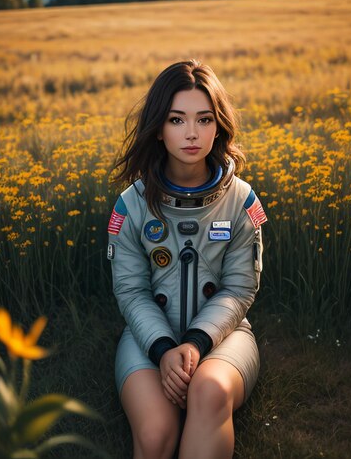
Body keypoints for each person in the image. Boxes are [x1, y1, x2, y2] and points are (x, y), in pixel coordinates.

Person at [107, 59, 267, 459]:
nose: (192, 134)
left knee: (208, 392)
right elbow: (130, 290)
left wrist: (195, 343)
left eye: (204, 119)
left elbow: (239, 287)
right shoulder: (130, 207)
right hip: (148, 341)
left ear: (219, 126)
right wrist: (163, 349)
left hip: (224, 339)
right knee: (157, 432)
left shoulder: (242, 201)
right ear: (158, 128)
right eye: (177, 120)